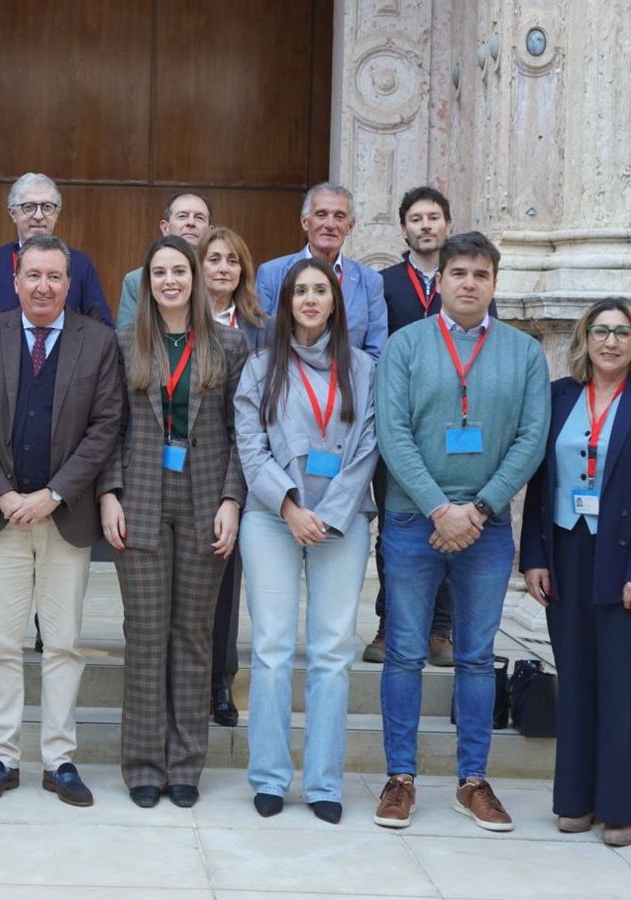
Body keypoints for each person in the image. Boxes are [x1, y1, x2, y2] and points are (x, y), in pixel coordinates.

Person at [371, 232, 549, 833]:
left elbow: (531, 438)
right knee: (404, 653)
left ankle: (473, 781)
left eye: (480, 274)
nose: (469, 283)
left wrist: (478, 508)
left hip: (486, 528)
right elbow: (392, 432)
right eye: (459, 273)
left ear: (494, 283)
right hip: (410, 522)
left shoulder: (524, 353)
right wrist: (437, 508)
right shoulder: (405, 345)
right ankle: (400, 778)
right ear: (440, 281)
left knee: (475, 657)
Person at [0, 234, 124, 807]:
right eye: (33, 275)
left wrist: (54, 494)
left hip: (64, 517)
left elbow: (105, 426)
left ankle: (59, 759)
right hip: (1, 517)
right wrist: (3, 494)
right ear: (16, 280)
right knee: (1, 643)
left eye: (54, 276)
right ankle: (2, 756)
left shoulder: (97, 342)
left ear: (69, 283)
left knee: (64, 643)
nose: (44, 286)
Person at [519, 298, 631, 846]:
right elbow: (540, 482)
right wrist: (534, 556)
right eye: (600, 330)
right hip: (566, 550)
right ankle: (573, 800)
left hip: (629, 559)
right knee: (576, 678)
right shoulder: (559, 395)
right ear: (584, 338)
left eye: (622, 332)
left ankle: (617, 808)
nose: (610, 341)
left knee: (623, 684)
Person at [99, 235, 245, 808]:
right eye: (159, 272)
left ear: (195, 278)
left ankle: (185, 764)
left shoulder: (229, 345)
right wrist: (108, 493)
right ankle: (142, 765)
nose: (170, 281)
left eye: (179, 271)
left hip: (206, 497)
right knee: (145, 633)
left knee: (192, 634)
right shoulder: (123, 343)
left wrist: (232, 500)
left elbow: (241, 432)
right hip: (139, 496)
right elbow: (108, 425)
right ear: (146, 282)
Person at [234, 256, 378, 823]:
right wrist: (290, 507)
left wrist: (329, 513)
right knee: (271, 649)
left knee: (332, 651)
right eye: (301, 291)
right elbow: (249, 445)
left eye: (321, 290)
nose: (311, 300)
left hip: (342, 521)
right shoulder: (261, 366)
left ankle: (323, 783)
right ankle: (270, 776)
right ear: (287, 303)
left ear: (335, 302)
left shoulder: (363, 368)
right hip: (273, 517)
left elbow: (369, 447)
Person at [367, 187, 488, 667]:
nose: (425, 226)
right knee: (395, 527)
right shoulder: (383, 284)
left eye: (433, 217)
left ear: (447, 224)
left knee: (451, 520)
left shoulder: (467, 280)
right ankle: (390, 623)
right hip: (397, 425)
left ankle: (441, 629)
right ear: (403, 229)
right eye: (416, 219)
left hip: (455, 425)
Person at [197, 225, 272, 727]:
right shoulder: (174, 317)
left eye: (232, 261)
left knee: (225, 581)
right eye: (214, 259)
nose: (223, 268)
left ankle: (219, 682)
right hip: (180, 468)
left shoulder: (261, 328)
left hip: (239, 464)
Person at [254, 182, 386, 359]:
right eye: (321, 214)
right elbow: (260, 344)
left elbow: (376, 353)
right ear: (304, 222)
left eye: (339, 216)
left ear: (350, 226)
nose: (330, 224)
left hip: (348, 375)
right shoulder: (271, 274)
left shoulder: (370, 282)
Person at [0, 172, 114, 326]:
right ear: (12, 213)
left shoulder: (80, 264)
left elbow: (102, 327)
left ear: (57, 213)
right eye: (29, 207)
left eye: (47, 207)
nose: (38, 216)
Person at [114, 192, 212, 328]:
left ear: (209, 232)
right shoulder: (136, 280)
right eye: (182, 216)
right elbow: (126, 337)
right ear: (165, 227)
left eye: (199, 218)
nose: (191, 223)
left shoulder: (220, 277)